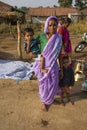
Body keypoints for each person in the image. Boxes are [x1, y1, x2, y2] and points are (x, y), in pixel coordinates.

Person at [33, 16, 62, 111]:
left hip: (53, 66)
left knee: (53, 84)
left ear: (57, 26)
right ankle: (45, 102)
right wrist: (35, 54)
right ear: (47, 26)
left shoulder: (58, 38)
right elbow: (33, 44)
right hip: (43, 65)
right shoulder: (41, 36)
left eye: (55, 25)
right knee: (44, 85)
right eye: (50, 25)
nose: (53, 27)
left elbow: (59, 55)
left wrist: (60, 68)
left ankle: (51, 99)